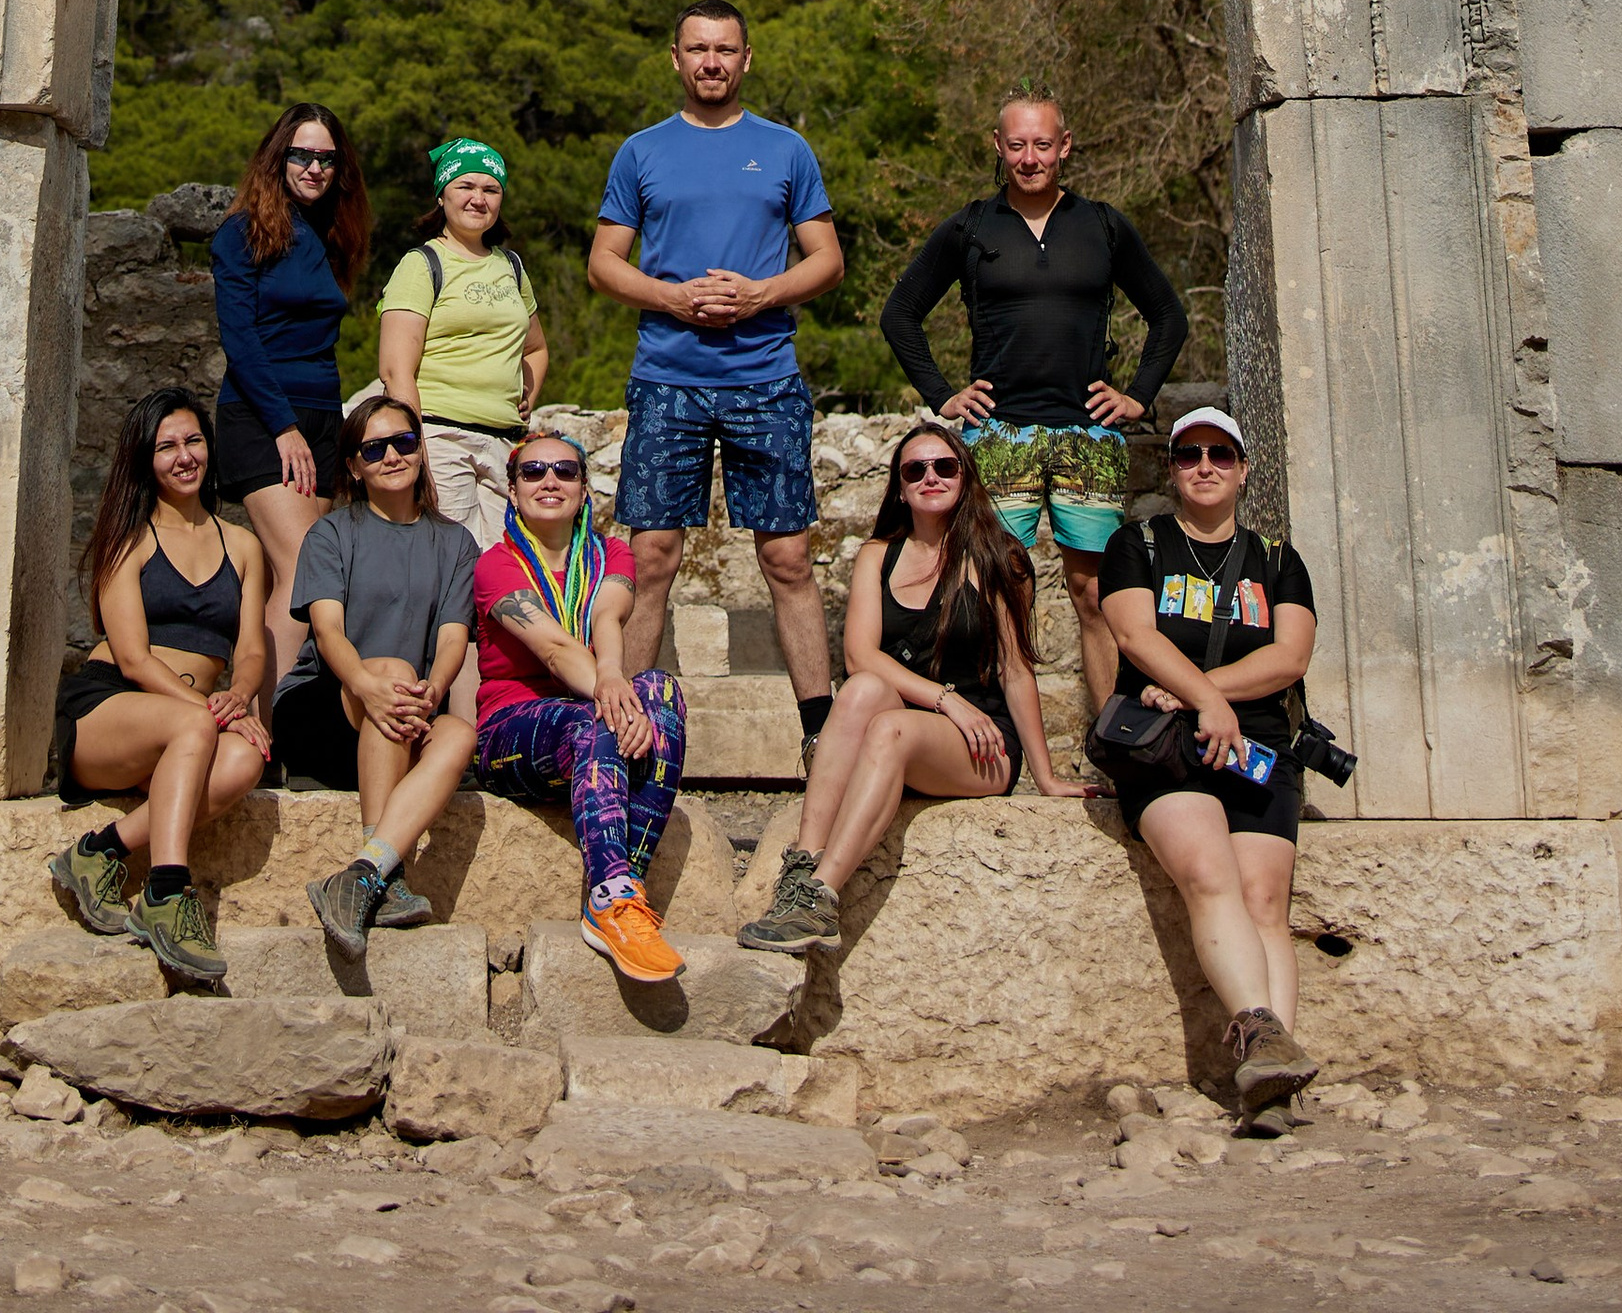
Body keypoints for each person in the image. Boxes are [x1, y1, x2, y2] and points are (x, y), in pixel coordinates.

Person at [588, 0, 844, 759]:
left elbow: (827, 260)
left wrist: (763, 294)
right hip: (668, 378)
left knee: (788, 559)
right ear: (676, 59)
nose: (711, 62)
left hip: (765, 378)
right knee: (652, 557)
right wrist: (671, 298)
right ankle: (628, 734)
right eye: (697, 49)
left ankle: (820, 734)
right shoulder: (641, 152)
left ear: (746, 58)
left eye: (724, 49)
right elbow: (603, 264)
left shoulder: (786, 149)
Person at [878, 90, 1187, 716]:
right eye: (1016, 145)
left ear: (1064, 147)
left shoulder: (1102, 225)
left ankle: (1111, 741)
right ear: (998, 146)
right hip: (998, 436)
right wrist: (943, 396)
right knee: (1000, 592)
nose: (1029, 158)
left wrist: (1137, 396)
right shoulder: (971, 227)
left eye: (1042, 144)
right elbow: (900, 313)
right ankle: (1000, 739)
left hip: (1086, 437)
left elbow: (1167, 316)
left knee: (1094, 593)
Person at [740, 419, 1086, 955]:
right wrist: (946, 700)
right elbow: (860, 657)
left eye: (945, 467)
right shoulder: (878, 555)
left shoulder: (1002, 558)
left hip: (982, 742)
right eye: (915, 470)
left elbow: (1017, 671)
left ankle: (821, 899)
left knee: (891, 729)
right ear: (899, 488)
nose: (931, 477)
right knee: (860, 690)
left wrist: (1046, 777)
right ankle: (803, 864)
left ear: (965, 477)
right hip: (915, 717)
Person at [1096, 403, 1321, 1117]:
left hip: (1256, 746)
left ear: (1243, 470)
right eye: (1189, 454)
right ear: (1171, 470)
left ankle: (1274, 1086)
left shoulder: (1278, 561)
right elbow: (1135, 636)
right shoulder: (1138, 545)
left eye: (1220, 454)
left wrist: (1205, 694)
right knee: (1207, 873)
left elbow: (1289, 657)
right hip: (1165, 747)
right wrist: (1202, 705)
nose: (1204, 466)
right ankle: (1262, 1037)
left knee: (1265, 901)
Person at [47, 384, 272, 989]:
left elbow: (252, 649)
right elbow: (134, 658)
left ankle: (99, 852)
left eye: (193, 440)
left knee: (246, 760)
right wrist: (211, 711)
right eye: (166, 446)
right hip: (107, 708)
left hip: (190, 722)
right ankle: (167, 893)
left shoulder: (243, 545)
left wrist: (240, 697)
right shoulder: (129, 538)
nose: (184, 456)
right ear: (145, 459)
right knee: (197, 726)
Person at [471, 429, 690, 986]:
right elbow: (552, 647)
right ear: (513, 490)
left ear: (584, 487)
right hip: (511, 732)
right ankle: (615, 896)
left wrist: (615, 677)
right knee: (592, 717)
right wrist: (613, 697)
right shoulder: (496, 564)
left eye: (564, 471)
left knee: (660, 690)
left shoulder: (612, 553)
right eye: (533, 471)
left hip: (593, 715)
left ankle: (619, 891)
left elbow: (605, 617)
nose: (550, 480)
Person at [271, 395, 478, 949]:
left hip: (404, 711)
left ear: (421, 451)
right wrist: (369, 686)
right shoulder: (331, 534)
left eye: (404, 442)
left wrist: (435, 689)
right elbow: (328, 632)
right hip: (324, 708)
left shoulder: (456, 543)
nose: (392, 456)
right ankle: (387, 880)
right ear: (355, 467)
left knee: (459, 734)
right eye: (374, 448)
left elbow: (453, 637)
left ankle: (367, 873)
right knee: (391, 670)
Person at [210, 102, 370, 690]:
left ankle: (274, 715)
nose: (314, 168)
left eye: (327, 158)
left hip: (323, 418)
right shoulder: (242, 233)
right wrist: (283, 427)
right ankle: (255, 721)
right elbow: (240, 341)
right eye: (301, 155)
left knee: (306, 577)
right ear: (277, 158)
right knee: (305, 567)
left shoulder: (329, 235)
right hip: (265, 417)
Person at [376, 135, 548, 550]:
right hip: (441, 438)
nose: (478, 198)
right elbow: (396, 370)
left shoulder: (511, 266)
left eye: (491, 189)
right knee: (452, 563)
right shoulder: (421, 264)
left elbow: (536, 348)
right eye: (465, 186)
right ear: (441, 196)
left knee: (504, 566)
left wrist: (528, 394)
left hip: (504, 442)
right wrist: (413, 449)